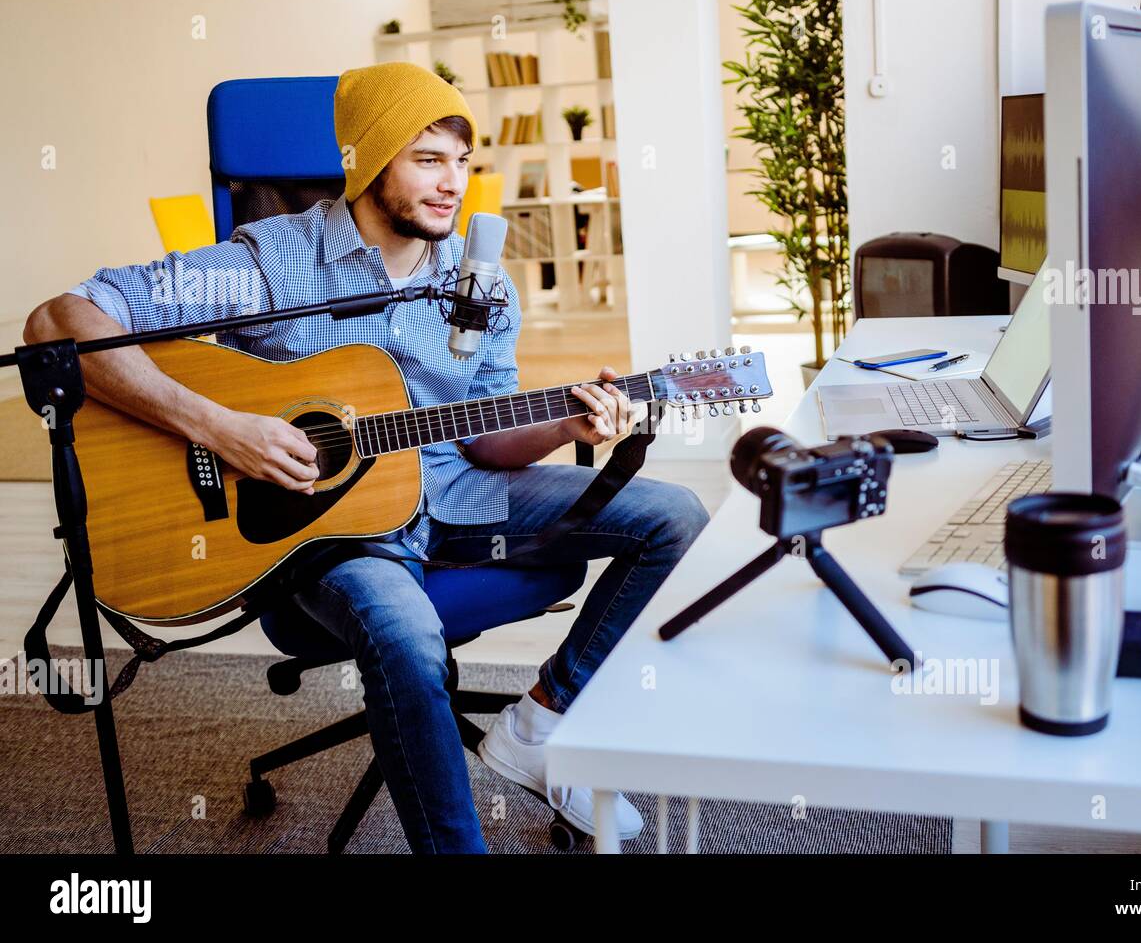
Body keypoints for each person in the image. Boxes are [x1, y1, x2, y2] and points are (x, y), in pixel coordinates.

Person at [23, 62, 710, 853]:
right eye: (428, 159)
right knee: (406, 635)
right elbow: (60, 320)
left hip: (458, 490)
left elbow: (486, 437)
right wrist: (219, 426)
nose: (453, 184)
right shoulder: (267, 264)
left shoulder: (478, 280)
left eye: (463, 161)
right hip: (328, 528)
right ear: (370, 159)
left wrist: (568, 426)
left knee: (674, 517)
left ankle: (544, 716)